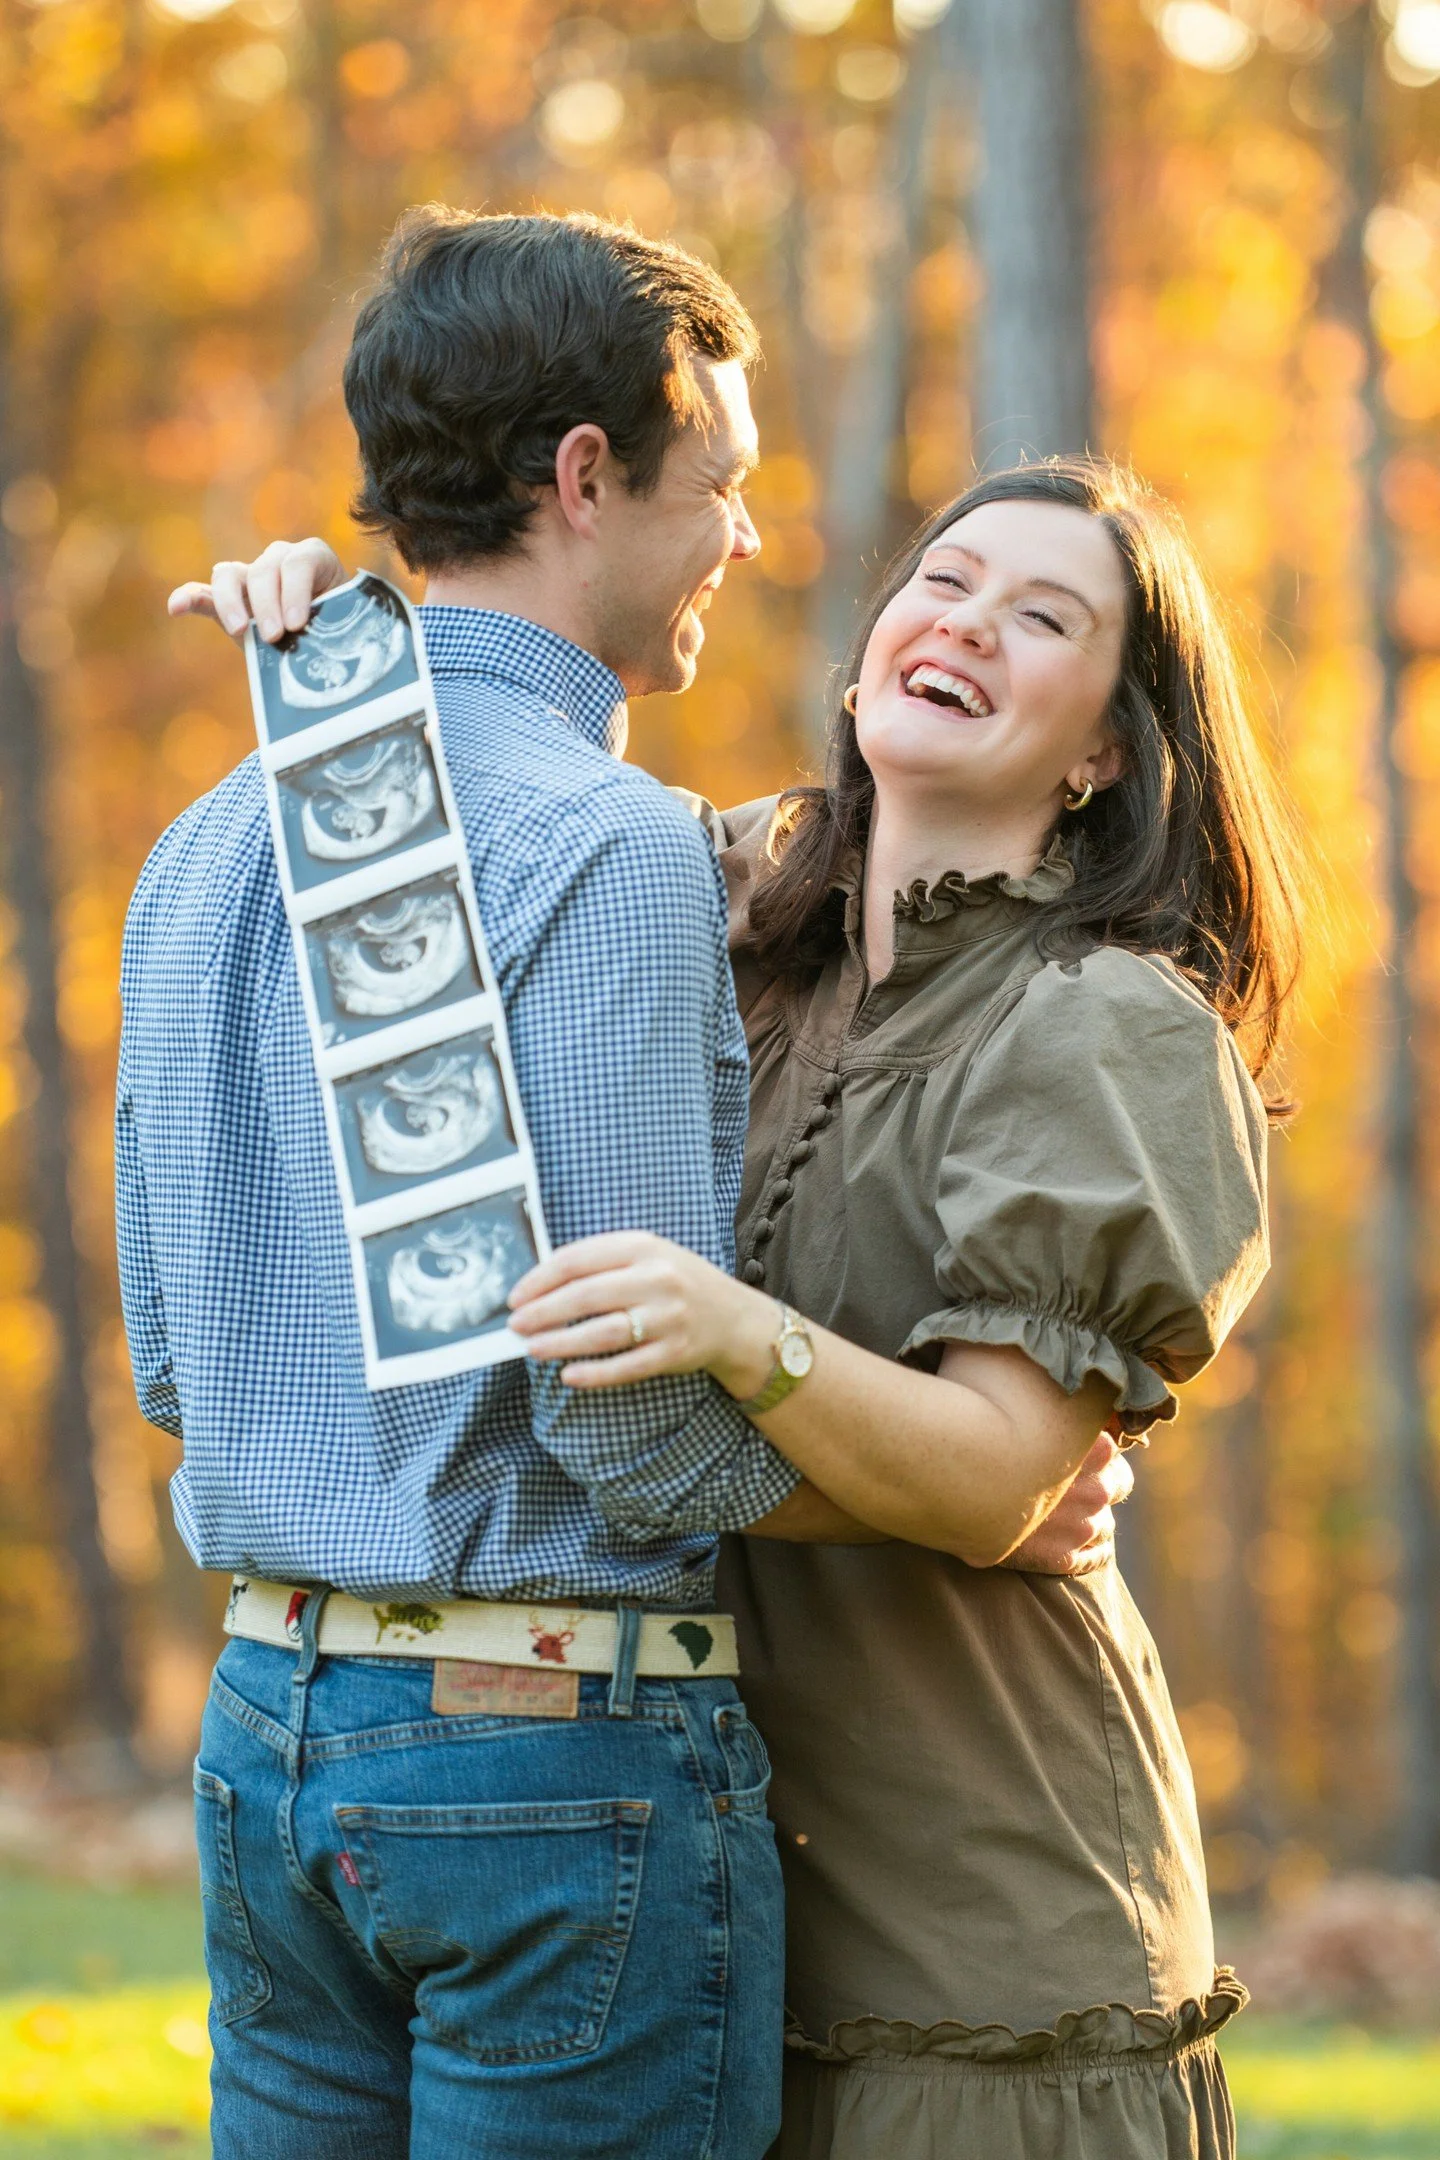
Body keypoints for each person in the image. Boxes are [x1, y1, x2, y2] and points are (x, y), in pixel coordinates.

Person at [137, 209, 1119, 2160]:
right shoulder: (614, 851)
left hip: (268, 1741)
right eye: (722, 486)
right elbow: (644, 1444)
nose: (746, 541)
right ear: (586, 478)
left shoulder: (206, 842)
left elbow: (176, 1365)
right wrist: (961, 1493)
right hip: (547, 1776)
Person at [504, 458, 1303, 2158]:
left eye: (1046, 617)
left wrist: (742, 1334)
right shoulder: (722, 928)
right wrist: (324, 628)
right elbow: (449, 849)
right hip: (686, 1916)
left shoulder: (1105, 1024)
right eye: (946, 580)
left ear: (1104, 748)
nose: (967, 624)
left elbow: (992, 1480)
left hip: (985, 1952)